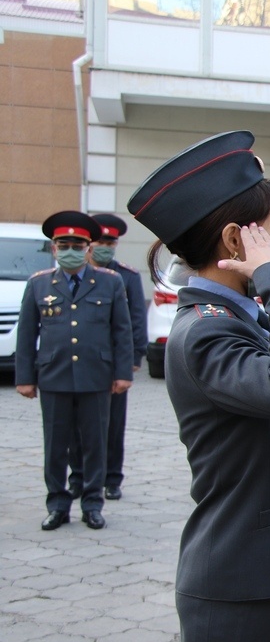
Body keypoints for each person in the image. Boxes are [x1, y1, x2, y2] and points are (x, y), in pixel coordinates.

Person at [126, 130, 270, 642]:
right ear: (233, 241)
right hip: (241, 577)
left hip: (262, 567)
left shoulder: (234, 317)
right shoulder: (206, 329)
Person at [15, 211, 134, 531]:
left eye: (77, 245)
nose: (70, 250)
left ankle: (92, 504)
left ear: (88, 248)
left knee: (95, 442)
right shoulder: (39, 284)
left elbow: (122, 331)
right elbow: (26, 334)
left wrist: (124, 373)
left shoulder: (110, 282)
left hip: (97, 376)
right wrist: (25, 377)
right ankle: (57, 504)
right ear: (53, 248)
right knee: (56, 445)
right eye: (63, 244)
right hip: (54, 376)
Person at [68, 213, 147, 501]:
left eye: (109, 242)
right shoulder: (74, 275)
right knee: (76, 423)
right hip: (81, 362)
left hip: (113, 363)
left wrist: (134, 358)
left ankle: (112, 478)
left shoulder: (126, 276)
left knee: (113, 424)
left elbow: (136, 320)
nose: (104, 246)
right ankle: (78, 477)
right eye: (99, 241)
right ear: (88, 244)